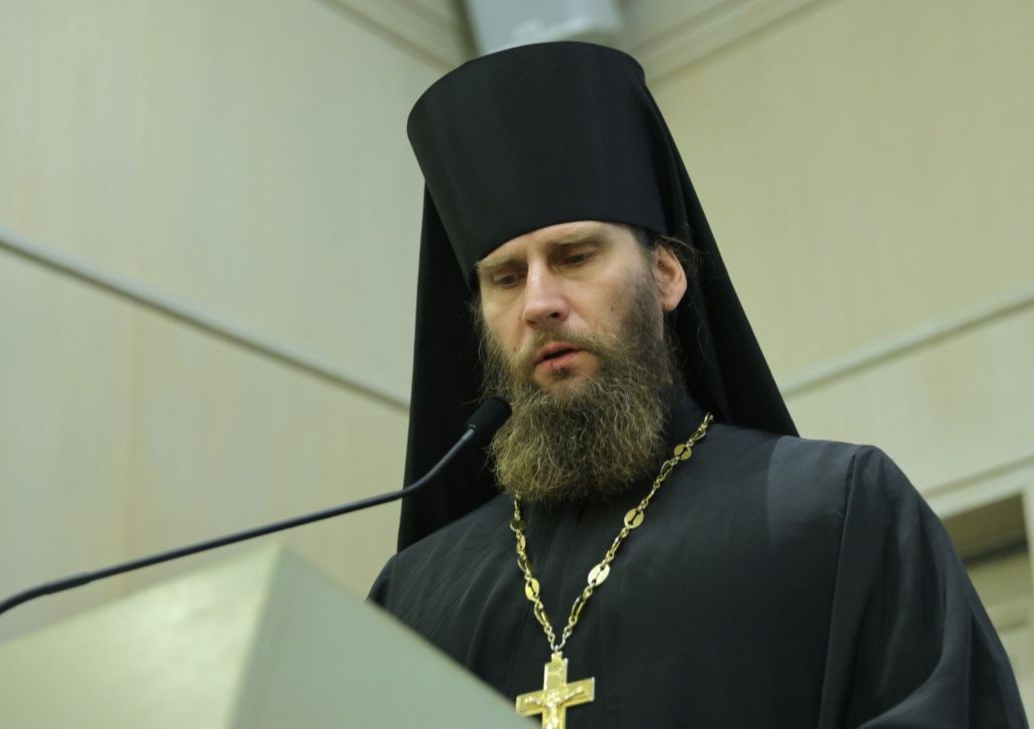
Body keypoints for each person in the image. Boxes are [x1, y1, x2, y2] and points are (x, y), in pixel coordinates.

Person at [368, 42, 1027, 728]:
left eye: (575, 256)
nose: (539, 303)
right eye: (506, 277)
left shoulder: (835, 513)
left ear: (666, 275)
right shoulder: (412, 602)